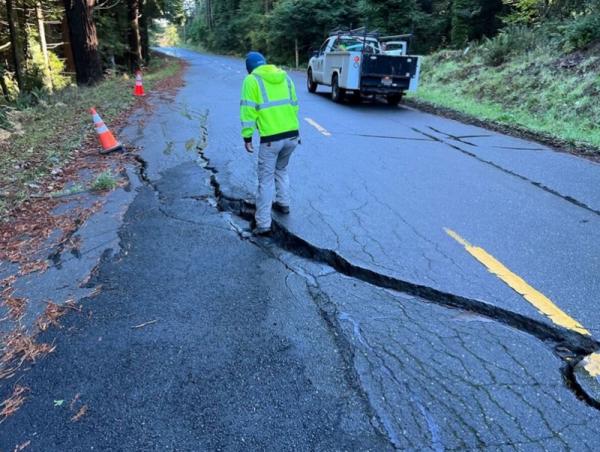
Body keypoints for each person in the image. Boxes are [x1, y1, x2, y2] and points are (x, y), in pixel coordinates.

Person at [240, 51, 300, 235]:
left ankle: (263, 224)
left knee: (265, 181)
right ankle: (283, 203)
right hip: (292, 136)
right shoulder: (285, 77)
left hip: (270, 140)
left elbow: (248, 111)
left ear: (249, 68)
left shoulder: (251, 80)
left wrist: (247, 137)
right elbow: (295, 106)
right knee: (281, 170)